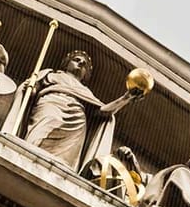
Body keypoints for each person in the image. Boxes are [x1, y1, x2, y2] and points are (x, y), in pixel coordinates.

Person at [9, 49, 141, 173]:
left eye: (84, 65)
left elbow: (102, 111)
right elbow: (33, 87)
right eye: (77, 60)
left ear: (86, 75)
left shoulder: (85, 91)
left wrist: (126, 98)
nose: (81, 64)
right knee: (41, 133)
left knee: (63, 160)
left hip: (77, 119)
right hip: (51, 105)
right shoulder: (50, 74)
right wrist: (30, 89)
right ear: (66, 64)